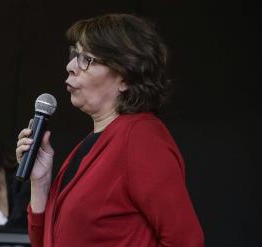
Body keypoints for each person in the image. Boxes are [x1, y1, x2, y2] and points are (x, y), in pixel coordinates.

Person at [16, 13, 204, 246]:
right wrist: (41, 182)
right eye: (74, 54)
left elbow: (186, 240)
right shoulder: (88, 146)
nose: (70, 66)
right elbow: (45, 241)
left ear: (125, 76)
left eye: (86, 59)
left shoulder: (141, 138)